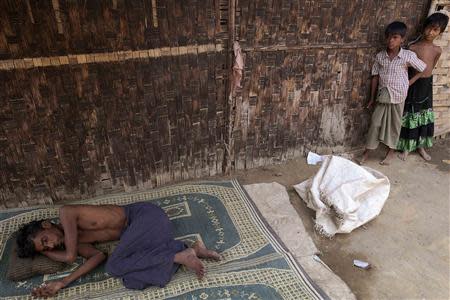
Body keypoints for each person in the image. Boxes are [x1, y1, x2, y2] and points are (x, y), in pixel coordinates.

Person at [15, 202, 221, 298]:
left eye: (45, 240)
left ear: (45, 225)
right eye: (47, 247)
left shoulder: (66, 213)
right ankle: (189, 250)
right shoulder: (74, 242)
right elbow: (97, 257)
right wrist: (62, 282)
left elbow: (69, 257)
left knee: (114, 267)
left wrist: (44, 252)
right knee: (132, 280)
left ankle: (177, 254)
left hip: (146, 217)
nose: (52, 245)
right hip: (146, 236)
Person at [359, 21, 427, 165]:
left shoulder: (407, 56)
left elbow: (422, 69)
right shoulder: (380, 57)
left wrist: (408, 83)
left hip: (399, 95)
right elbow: (375, 77)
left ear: (402, 39)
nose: (391, 40)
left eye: (395, 37)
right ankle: (367, 151)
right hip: (383, 94)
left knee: (395, 125)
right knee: (375, 123)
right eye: (389, 37)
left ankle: (390, 152)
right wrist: (372, 98)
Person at [398, 12, 449, 161]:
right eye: (429, 28)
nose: (430, 32)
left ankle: (420, 147)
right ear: (424, 27)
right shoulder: (413, 48)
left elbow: (430, 68)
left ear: (440, 33)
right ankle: (406, 147)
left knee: (424, 117)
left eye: (435, 30)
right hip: (414, 84)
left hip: (427, 86)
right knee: (411, 115)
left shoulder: (437, 50)